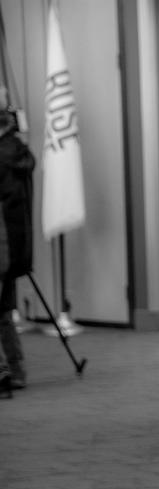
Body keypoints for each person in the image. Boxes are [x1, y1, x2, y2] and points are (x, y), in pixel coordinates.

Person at [0, 104, 33, 396]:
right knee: (5, 311)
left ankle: (4, 373)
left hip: (2, 244)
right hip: (14, 245)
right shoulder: (18, 151)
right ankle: (16, 369)